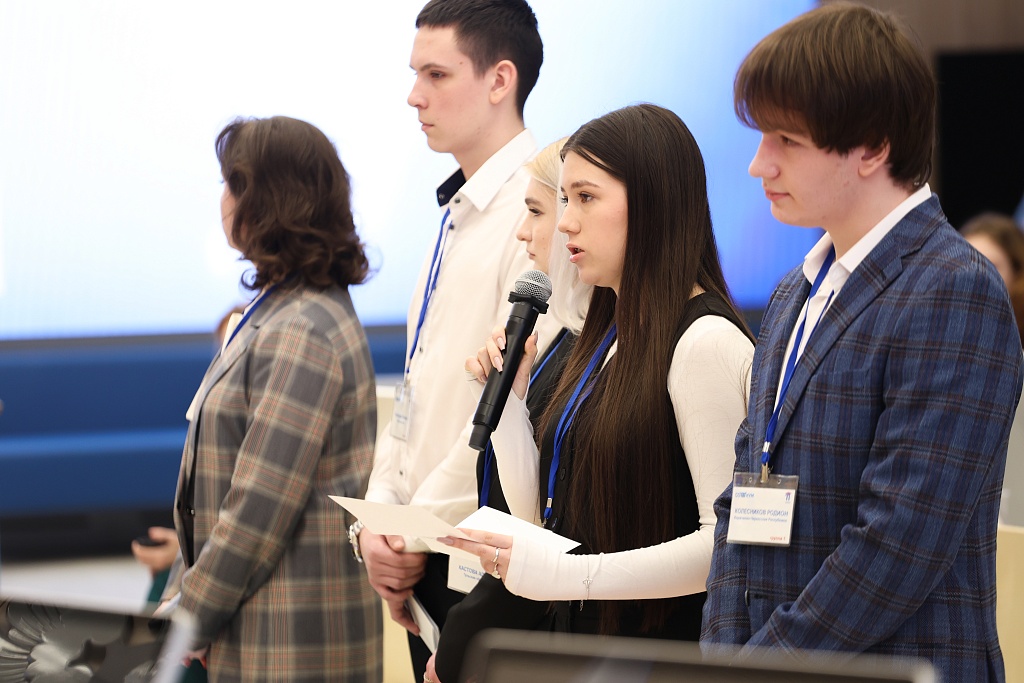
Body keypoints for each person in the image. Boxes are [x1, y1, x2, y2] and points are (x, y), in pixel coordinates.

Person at [700, 5, 1024, 681]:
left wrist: (755, 667)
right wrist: (721, 654)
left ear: (873, 147)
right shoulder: (794, 291)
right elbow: (743, 493)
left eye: (787, 140)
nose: (759, 164)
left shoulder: (953, 287)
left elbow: (899, 542)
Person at [435, 104, 755, 681]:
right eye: (564, 199)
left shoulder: (704, 341)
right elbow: (542, 521)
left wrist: (573, 576)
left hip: (655, 660)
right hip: (582, 651)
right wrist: (509, 407)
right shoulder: (605, 334)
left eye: (585, 198)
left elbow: (725, 544)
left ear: (653, 204)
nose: (565, 223)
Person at [352, 1, 551, 679]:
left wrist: (409, 528)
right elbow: (415, 388)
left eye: (436, 75)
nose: (415, 96)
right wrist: (378, 521)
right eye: (415, 74)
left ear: (500, 80)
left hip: (477, 556)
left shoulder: (537, 210)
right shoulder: (460, 209)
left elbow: (505, 407)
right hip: (424, 548)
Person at [171, 115, 381, 682]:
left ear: (268, 201)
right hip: (261, 628)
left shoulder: (302, 327)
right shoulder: (283, 307)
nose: (221, 200)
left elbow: (258, 508)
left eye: (230, 184)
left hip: (288, 642)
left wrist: (189, 616)